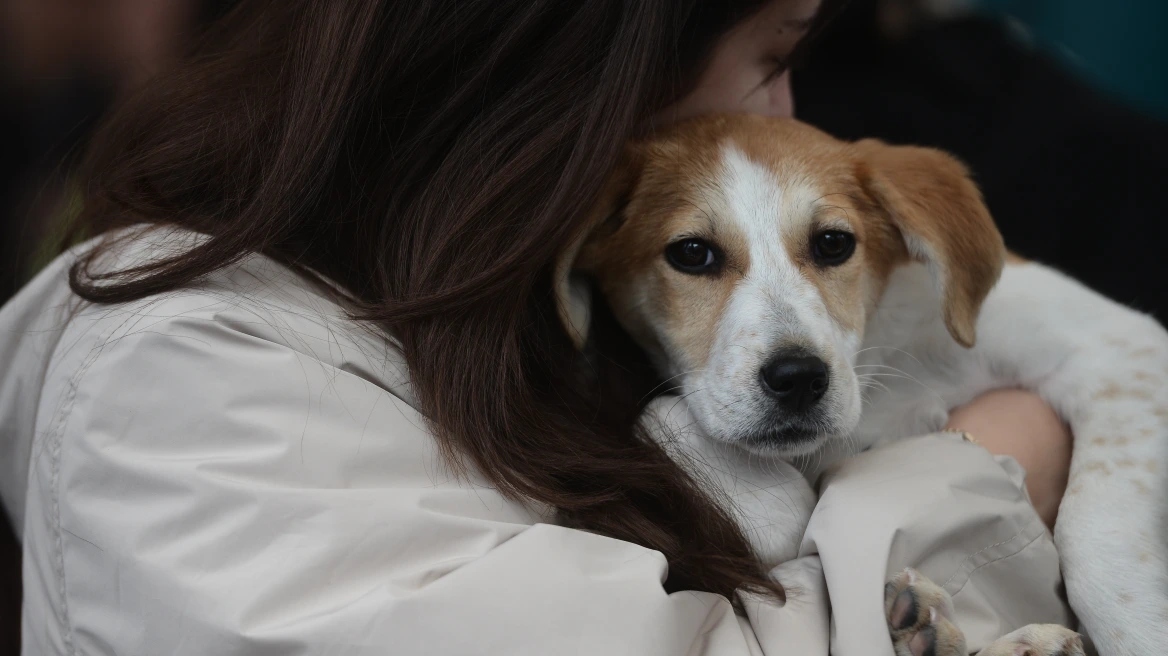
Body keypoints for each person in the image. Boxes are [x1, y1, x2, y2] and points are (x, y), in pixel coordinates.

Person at [0, 1, 1074, 654]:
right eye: (772, 52)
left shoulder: (539, 315)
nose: (783, 118)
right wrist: (986, 476)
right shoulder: (182, 380)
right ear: (582, 54)